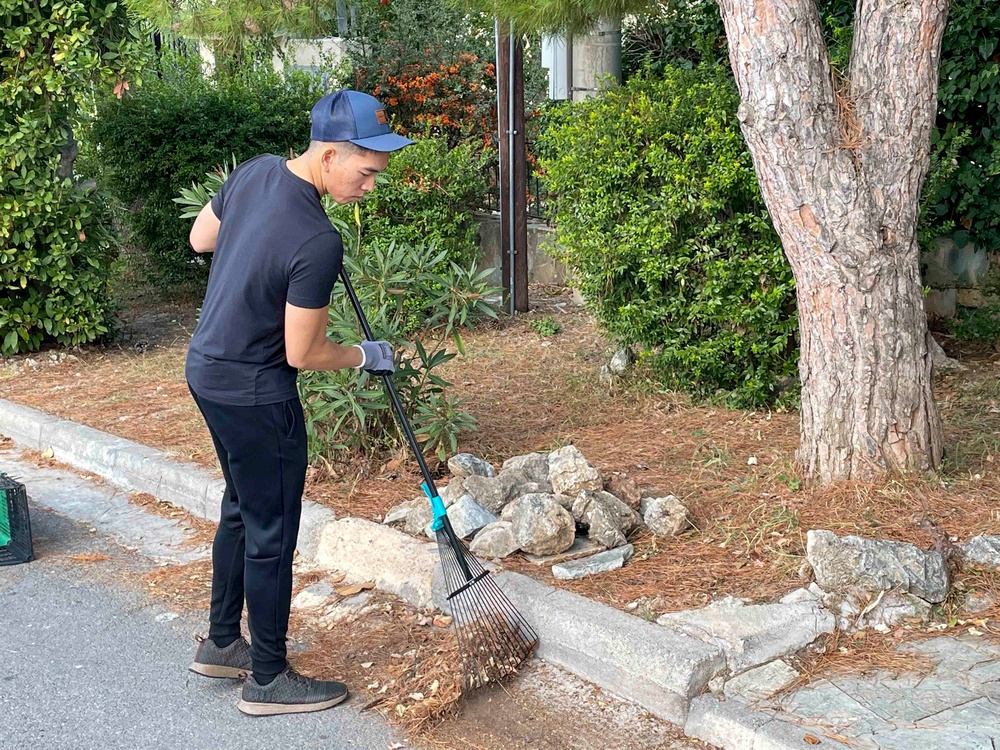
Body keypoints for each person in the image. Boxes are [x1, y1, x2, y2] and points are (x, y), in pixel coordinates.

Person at [183, 90, 412, 716]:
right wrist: (367, 355)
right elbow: (303, 354)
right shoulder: (317, 240)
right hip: (257, 393)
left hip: (206, 371)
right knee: (271, 529)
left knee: (241, 505)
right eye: (366, 173)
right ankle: (268, 678)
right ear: (331, 153)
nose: (370, 187)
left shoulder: (256, 171)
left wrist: (254, 256)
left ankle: (223, 644)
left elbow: (202, 238)